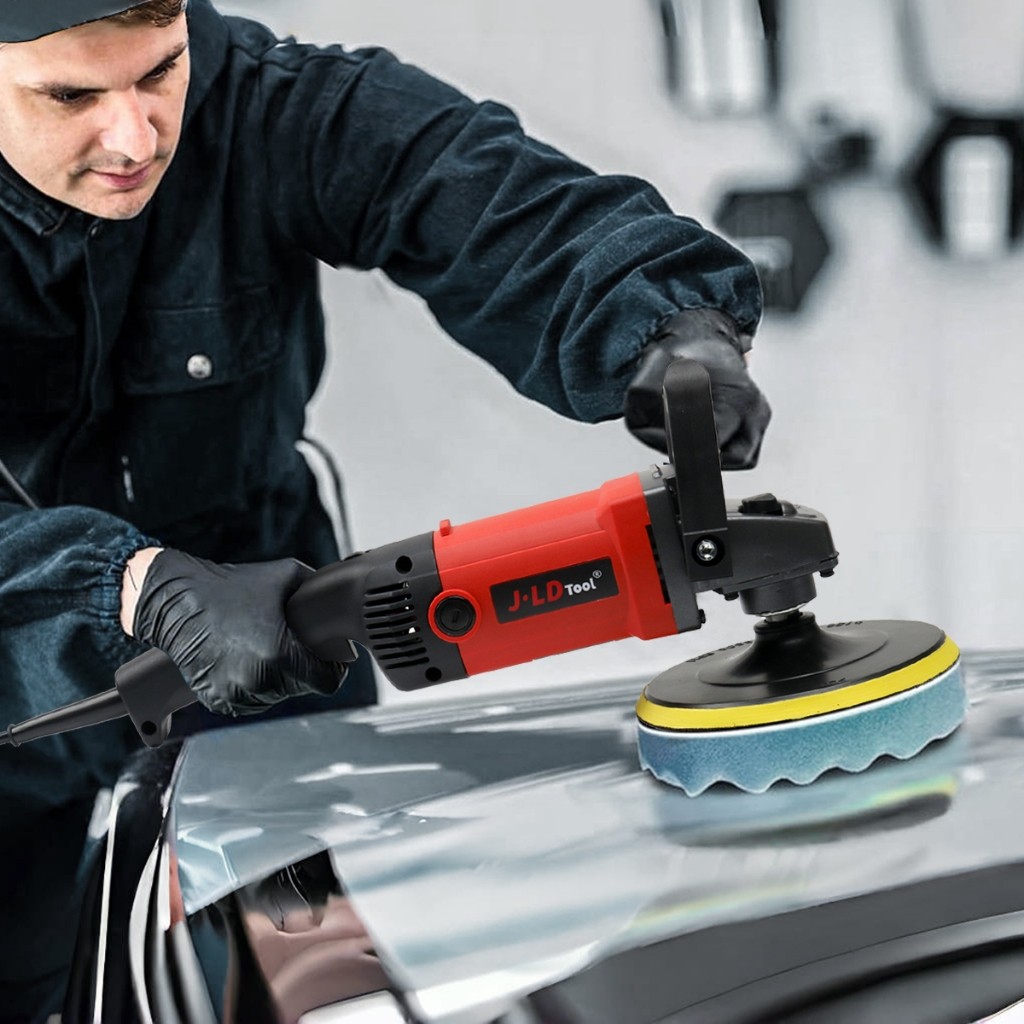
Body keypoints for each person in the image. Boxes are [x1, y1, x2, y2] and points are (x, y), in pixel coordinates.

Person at [0, 0, 770, 1018]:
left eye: (159, 72)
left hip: (263, 652)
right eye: (72, 96)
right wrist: (127, 587)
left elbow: (460, 183)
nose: (135, 138)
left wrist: (666, 328)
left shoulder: (263, 107)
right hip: (17, 681)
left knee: (307, 998)